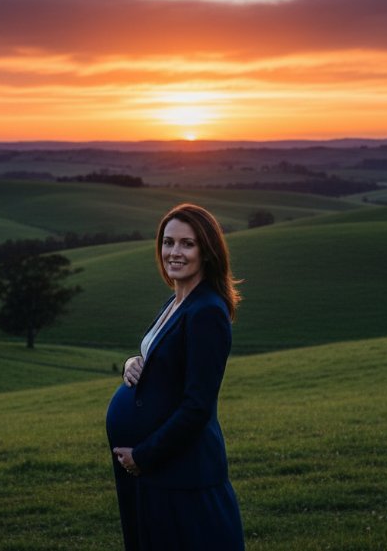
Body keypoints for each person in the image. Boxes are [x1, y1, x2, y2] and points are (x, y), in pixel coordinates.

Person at [105, 203, 245, 551]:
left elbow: (197, 406)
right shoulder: (177, 301)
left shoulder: (207, 312)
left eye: (187, 243)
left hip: (181, 471)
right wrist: (132, 362)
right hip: (158, 473)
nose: (174, 252)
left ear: (207, 251)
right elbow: (166, 359)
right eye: (168, 242)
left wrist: (143, 456)